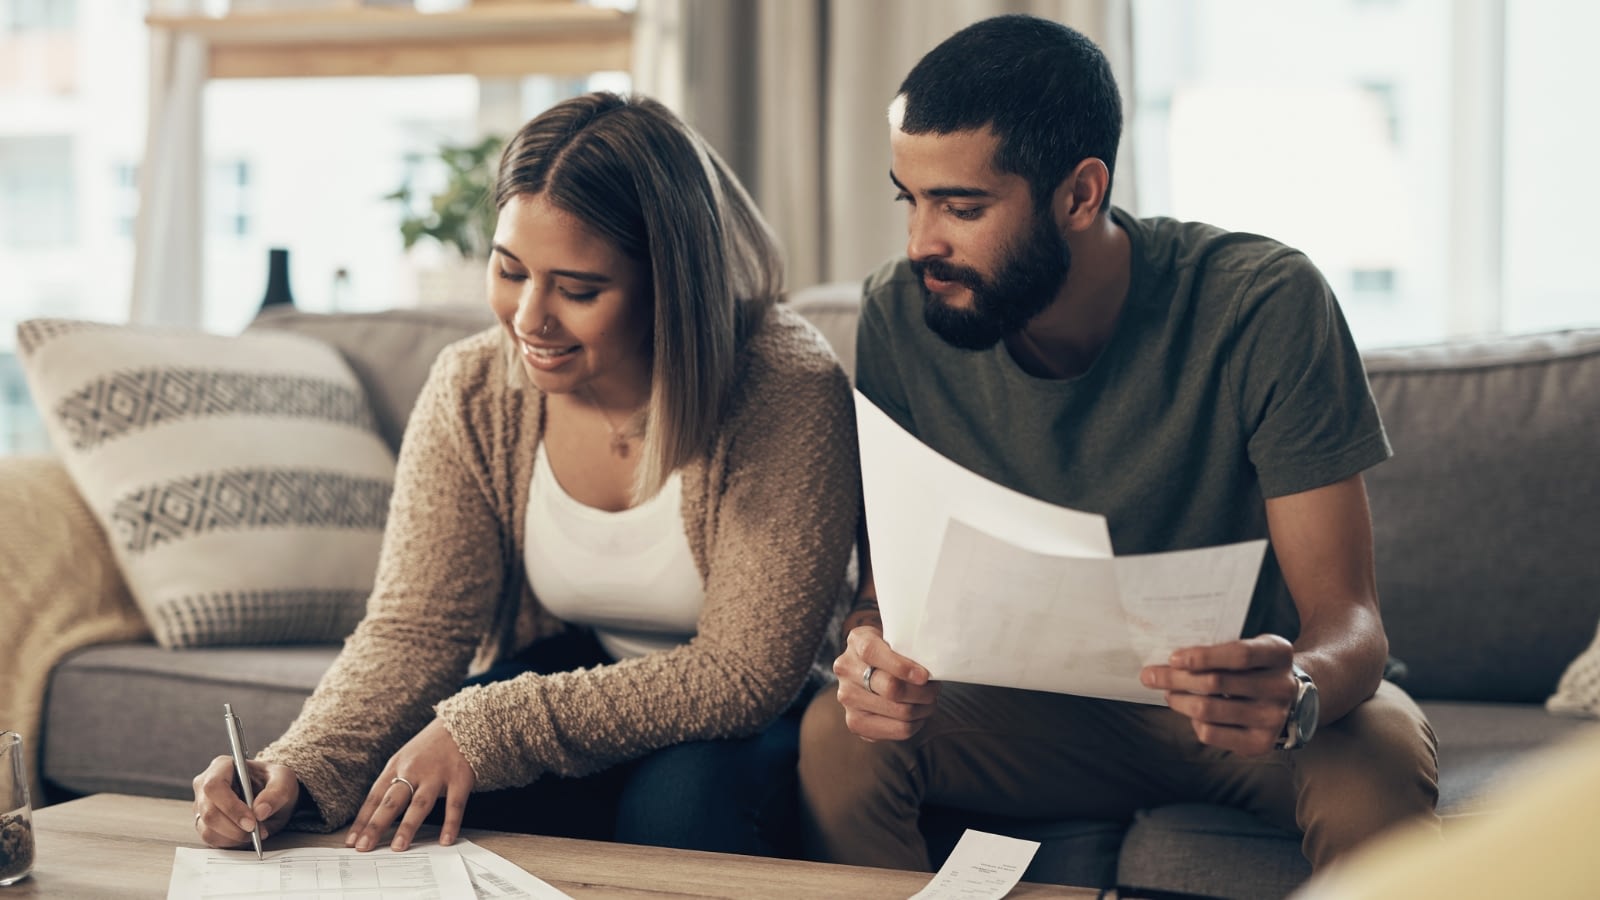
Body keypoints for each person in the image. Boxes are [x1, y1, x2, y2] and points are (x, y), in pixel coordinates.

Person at [797, 14, 1439, 876]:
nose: (921, 244)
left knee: (1381, 760)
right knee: (837, 739)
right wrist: (873, 657)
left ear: (1079, 194)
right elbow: (890, 591)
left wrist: (1300, 687)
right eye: (910, 199)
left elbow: (1350, 621)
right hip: (1019, 716)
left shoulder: (1263, 305)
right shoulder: (901, 314)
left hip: (1229, 720)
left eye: (962, 206)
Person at [191, 91, 860, 858]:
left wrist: (493, 727)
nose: (528, 319)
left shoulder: (783, 385)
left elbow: (744, 674)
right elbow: (416, 628)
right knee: (418, 780)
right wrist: (295, 767)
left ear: (671, 285)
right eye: (510, 271)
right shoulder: (472, 386)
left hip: (760, 705)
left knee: (678, 807)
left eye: (578, 290)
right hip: (578, 672)